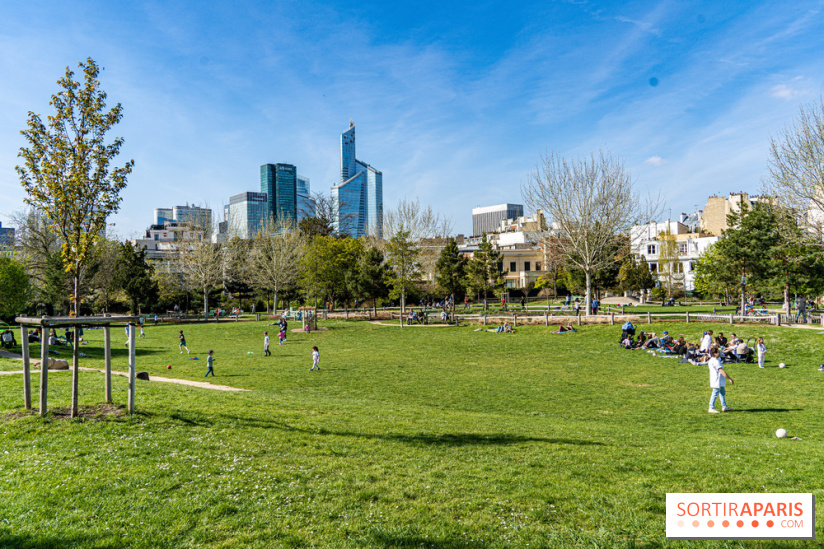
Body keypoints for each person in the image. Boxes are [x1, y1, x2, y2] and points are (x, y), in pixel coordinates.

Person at [708, 348, 734, 413]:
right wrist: (729, 379)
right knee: (715, 393)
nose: (719, 353)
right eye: (718, 352)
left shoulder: (712, 360)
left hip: (718, 379)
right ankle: (711, 407)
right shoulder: (715, 361)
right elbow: (721, 371)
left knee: (722, 392)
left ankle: (724, 406)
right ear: (715, 353)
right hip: (716, 380)